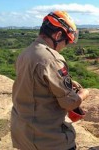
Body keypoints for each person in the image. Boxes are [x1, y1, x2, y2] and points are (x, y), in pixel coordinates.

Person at [11, 11, 89, 150]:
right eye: (66, 42)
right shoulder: (51, 58)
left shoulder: (25, 53)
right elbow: (69, 103)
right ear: (58, 35)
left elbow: (36, 84)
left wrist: (66, 82)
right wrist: (83, 93)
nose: (64, 47)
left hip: (23, 134)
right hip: (47, 139)